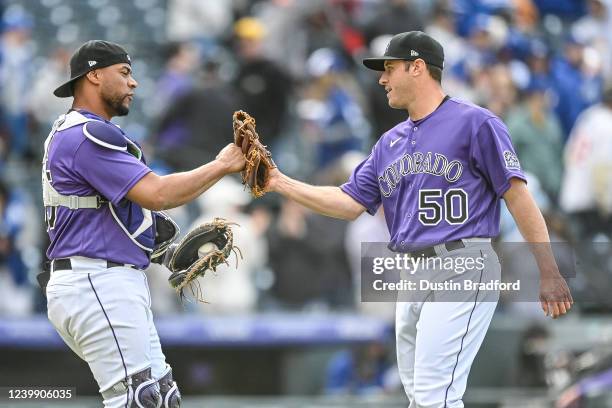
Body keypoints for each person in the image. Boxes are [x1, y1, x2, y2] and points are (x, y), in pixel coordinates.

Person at [264, 31, 573, 407]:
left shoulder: (476, 123)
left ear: (417, 67)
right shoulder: (389, 142)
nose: (381, 79)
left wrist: (549, 269)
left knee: (433, 396)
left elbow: (517, 196)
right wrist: (279, 182)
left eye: (389, 69)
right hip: (409, 271)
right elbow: (347, 202)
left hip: (463, 262)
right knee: (419, 397)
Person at [42, 40, 244, 408]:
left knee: (163, 399)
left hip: (103, 280)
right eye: (124, 73)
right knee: (139, 401)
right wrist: (222, 165)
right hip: (97, 282)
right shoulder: (86, 134)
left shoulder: (71, 130)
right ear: (94, 75)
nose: (133, 83)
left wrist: (162, 249)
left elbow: (114, 213)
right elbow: (159, 194)